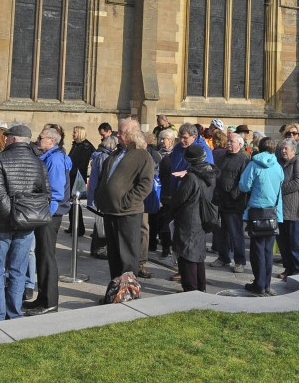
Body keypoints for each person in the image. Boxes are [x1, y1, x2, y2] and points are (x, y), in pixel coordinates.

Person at [0, 124, 50, 321]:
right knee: (17, 271)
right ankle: (13, 314)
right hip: (24, 224)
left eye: (7, 137)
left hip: (2, 224)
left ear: (13, 139)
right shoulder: (38, 162)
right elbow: (45, 194)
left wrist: (11, 217)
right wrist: (23, 216)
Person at [94, 119, 156, 279]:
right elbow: (103, 178)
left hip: (127, 213)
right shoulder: (115, 154)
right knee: (114, 256)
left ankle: (128, 291)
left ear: (132, 135)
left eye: (122, 132)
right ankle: (116, 289)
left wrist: (126, 202)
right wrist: (100, 197)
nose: (118, 135)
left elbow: (145, 185)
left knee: (127, 257)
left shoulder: (142, 156)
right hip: (109, 211)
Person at [158, 143, 216, 292]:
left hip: (189, 218)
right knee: (198, 255)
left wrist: (169, 205)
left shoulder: (191, 177)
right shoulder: (210, 172)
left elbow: (180, 198)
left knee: (187, 254)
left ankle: (191, 288)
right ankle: (200, 286)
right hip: (201, 217)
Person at [26, 126, 71, 316]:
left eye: (41, 137)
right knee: (42, 256)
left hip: (49, 215)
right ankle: (42, 297)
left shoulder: (55, 159)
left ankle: (50, 302)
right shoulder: (49, 157)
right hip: (46, 214)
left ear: (51, 141)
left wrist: (47, 215)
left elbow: (57, 192)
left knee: (47, 257)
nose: (38, 139)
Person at [240, 138, 286, 292]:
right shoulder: (278, 166)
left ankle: (259, 284)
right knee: (268, 250)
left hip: (257, 211)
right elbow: (281, 184)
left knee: (257, 249)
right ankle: (266, 284)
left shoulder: (253, 164)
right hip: (273, 212)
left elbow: (244, 186)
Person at [212, 132, 249, 273]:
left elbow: (244, 182)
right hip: (220, 201)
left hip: (234, 203)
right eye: (228, 141)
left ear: (239, 144)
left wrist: (234, 195)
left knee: (236, 233)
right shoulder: (222, 157)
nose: (228, 143)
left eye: (231, 141)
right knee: (222, 233)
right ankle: (223, 257)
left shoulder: (244, 160)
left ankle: (240, 261)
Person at [276, 138, 299, 277]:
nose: (283, 151)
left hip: (295, 211)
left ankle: (298, 271)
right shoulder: (279, 163)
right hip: (281, 211)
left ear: (293, 151)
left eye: (286, 149)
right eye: (282, 148)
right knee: (283, 244)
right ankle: (288, 268)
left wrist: (280, 189)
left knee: (295, 244)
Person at [67, 126, 96, 236]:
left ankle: (78, 228)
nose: (73, 134)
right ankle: (72, 226)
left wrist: (73, 171)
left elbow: (82, 164)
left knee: (76, 203)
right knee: (72, 203)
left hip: (78, 177)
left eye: (75, 132)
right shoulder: (76, 145)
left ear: (80, 133)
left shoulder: (85, 146)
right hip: (72, 176)